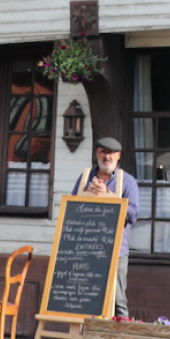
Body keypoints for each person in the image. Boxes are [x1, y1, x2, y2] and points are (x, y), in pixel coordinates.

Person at [71, 136, 140, 319]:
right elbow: (73, 211)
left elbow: (132, 215)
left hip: (116, 251)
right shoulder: (85, 179)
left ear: (118, 156)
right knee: (88, 300)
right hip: (88, 250)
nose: (106, 157)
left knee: (118, 301)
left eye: (111, 153)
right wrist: (88, 194)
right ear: (97, 154)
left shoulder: (127, 182)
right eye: (103, 152)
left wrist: (109, 196)